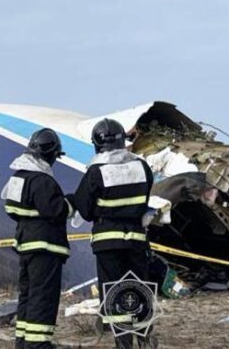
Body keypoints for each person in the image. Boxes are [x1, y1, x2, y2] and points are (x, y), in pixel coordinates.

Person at [70, 118, 157, 349]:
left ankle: (124, 342)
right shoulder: (142, 167)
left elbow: (85, 210)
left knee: (114, 291)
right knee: (139, 287)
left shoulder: (96, 172)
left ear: (97, 144)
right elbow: (145, 199)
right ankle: (145, 336)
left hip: (107, 241)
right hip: (136, 239)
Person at [3, 128, 74, 349]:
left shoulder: (18, 178)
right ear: (50, 154)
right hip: (45, 247)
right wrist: (72, 202)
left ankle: (23, 341)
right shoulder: (43, 181)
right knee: (43, 296)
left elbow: (11, 209)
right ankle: (38, 344)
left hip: (25, 245)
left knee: (28, 294)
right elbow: (56, 211)